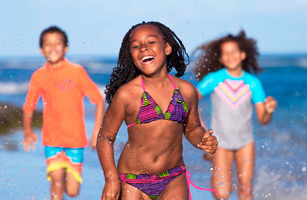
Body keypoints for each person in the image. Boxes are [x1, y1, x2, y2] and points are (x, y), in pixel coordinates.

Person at [97, 21, 218, 200]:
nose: (144, 48)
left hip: (173, 179)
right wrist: (111, 178)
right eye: (136, 46)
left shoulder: (186, 90)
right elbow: (105, 138)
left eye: (151, 42)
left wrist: (202, 140)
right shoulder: (127, 94)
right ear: (131, 55)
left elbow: (192, 129)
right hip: (132, 181)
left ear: (167, 48)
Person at [192, 30, 278, 200]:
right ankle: (212, 155)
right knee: (222, 193)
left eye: (234, 51)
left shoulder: (253, 83)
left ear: (243, 54)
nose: (230, 56)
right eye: (226, 53)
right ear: (221, 58)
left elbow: (263, 120)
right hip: (221, 143)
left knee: (246, 192)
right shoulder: (214, 79)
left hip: (245, 143)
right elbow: (190, 100)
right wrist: (201, 129)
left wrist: (268, 111)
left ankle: (210, 157)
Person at [22, 26, 105, 200]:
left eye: (57, 43)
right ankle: (59, 174)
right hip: (52, 140)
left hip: (76, 141)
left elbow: (98, 100)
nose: (52, 47)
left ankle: (66, 173)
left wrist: (97, 132)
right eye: (47, 44)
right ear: (41, 49)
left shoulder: (76, 72)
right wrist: (27, 130)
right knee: (57, 183)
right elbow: (28, 106)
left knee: (73, 192)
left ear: (66, 47)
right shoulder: (39, 76)